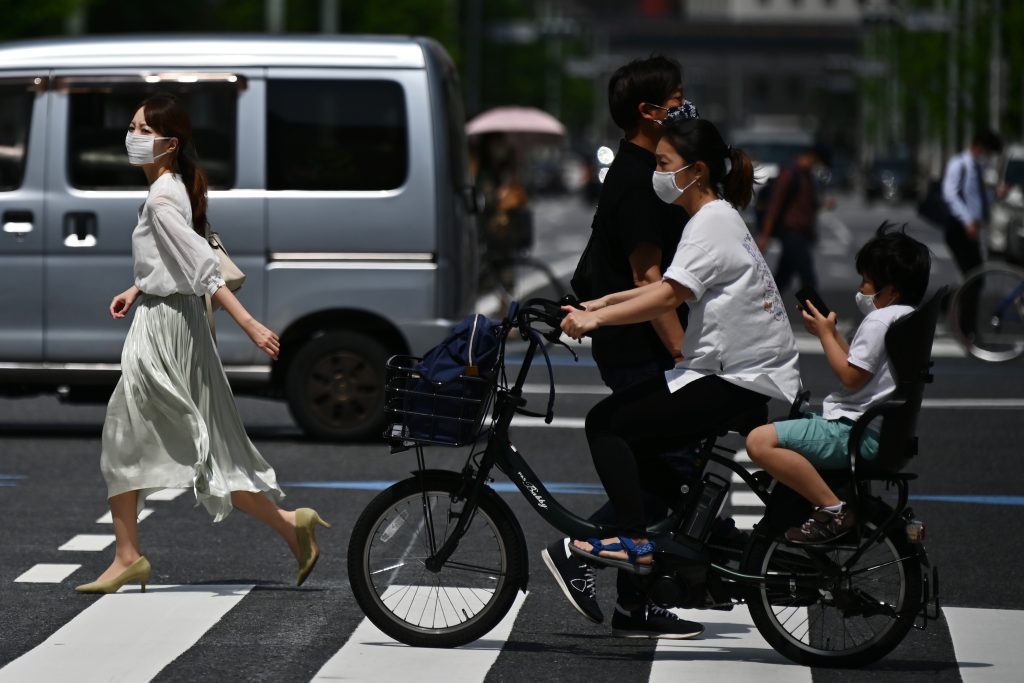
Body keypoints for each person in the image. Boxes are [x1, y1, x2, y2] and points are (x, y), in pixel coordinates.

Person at [75, 93, 330, 594]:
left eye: (144, 131)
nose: (133, 138)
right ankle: (288, 524)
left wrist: (251, 325)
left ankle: (128, 556)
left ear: (169, 144)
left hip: (167, 329)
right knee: (207, 448)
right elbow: (177, 262)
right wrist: (137, 287)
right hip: (172, 318)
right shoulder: (171, 188)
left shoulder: (162, 196)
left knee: (126, 436)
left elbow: (202, 269)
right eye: (132, 127)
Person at [551, 117, 801, 619]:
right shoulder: (717, 216)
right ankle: (678, 553)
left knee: (606, 424)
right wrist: (600, 301)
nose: (657, 174)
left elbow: (668, 295)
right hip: (740, 372)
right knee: (658, 459)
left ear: (696, 170)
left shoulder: (708, 223)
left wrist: (594, 321)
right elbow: (661, 285)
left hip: (732, 377)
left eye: (664, 165)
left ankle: (632, 542)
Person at [543, 56, 700, 640]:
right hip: (640, 344)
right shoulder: (635, 180)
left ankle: (635, 602)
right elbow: (647, 278)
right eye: (678, 100)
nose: (686, 108)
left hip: (643, 340)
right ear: (648, 111)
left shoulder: (651, 172)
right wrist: (684, 353)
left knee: (660, 471)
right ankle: (582, 554)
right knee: (670, 468)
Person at [746, 224, 931, 543]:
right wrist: (825, 333)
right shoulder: (905, 318)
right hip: (877, 432)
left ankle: (832, 508)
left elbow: (850, 376)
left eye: (867, 281)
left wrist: (828, 335)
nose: (862, 289)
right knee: (780, 434)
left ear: (892, 290)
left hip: (854, 432)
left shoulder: (879, 320)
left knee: (759, 442)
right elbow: (862, 368)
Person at [941, 129, 1003, 336]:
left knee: (975, 278)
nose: (989, 157)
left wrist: (995, 194)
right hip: (958, 228)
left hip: (972, 229)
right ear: (980, 147)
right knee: (974, 278)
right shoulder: (959, 164)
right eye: (989, 151)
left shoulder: (979, 168)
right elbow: (950, 194)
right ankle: (964, 323)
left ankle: (966, 322)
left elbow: (980, 199)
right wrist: (967, 220)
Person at [756, 144, 832, 294]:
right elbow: (774, 205)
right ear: (812, 157)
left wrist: (822, 204)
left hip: (801, 233)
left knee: (782, 279)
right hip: (792, 233)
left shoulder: (807, 175)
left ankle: (764, 309)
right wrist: (765, 235)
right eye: (817, 162)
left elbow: (806, 204)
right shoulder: (790, 173)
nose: (817, 166)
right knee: (808, 279)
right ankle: (816, 314)